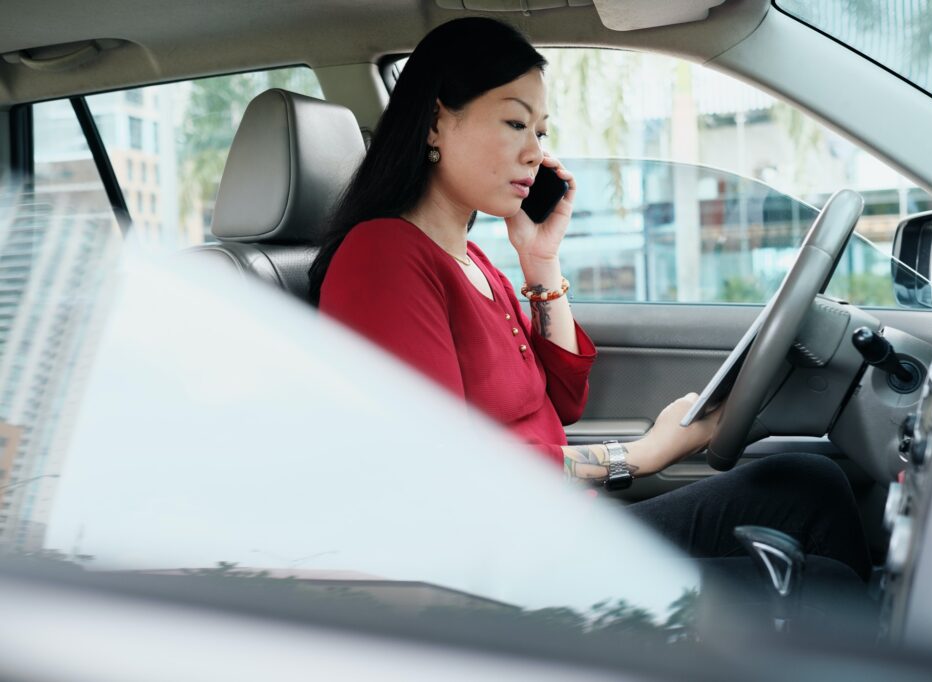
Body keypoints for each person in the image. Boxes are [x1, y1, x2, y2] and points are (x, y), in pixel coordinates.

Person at [309, 17, 871, 581]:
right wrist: (640, 455)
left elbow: (563, 404)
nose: (534, 152)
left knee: (809, 483)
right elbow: (445, 469)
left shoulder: (473, 261)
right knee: (828, 585)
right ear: (435, 122)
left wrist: (541, 261)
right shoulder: (382, 257)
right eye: (514, 122)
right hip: (509, 576)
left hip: (565, 535)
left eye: (541, 133)